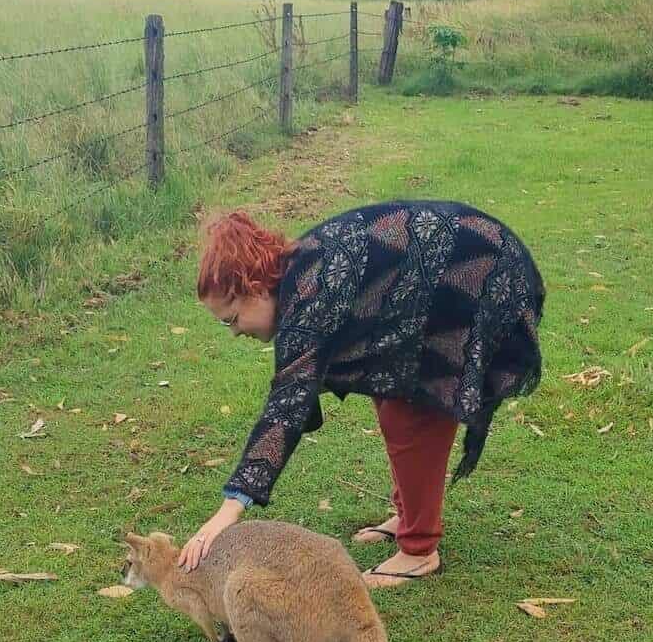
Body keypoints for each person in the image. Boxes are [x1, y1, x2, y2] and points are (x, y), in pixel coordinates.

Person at [178, 201, 545, 587]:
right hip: (433, 285)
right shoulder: (298, 277)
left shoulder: (308, 295)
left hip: (482, 271)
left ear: (252, 287)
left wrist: (229, 510)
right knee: (390, 393)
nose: (235, 333)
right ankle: (410, 516)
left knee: (412, 413)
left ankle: (419, 550)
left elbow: (286, 407)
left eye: (232, 320)